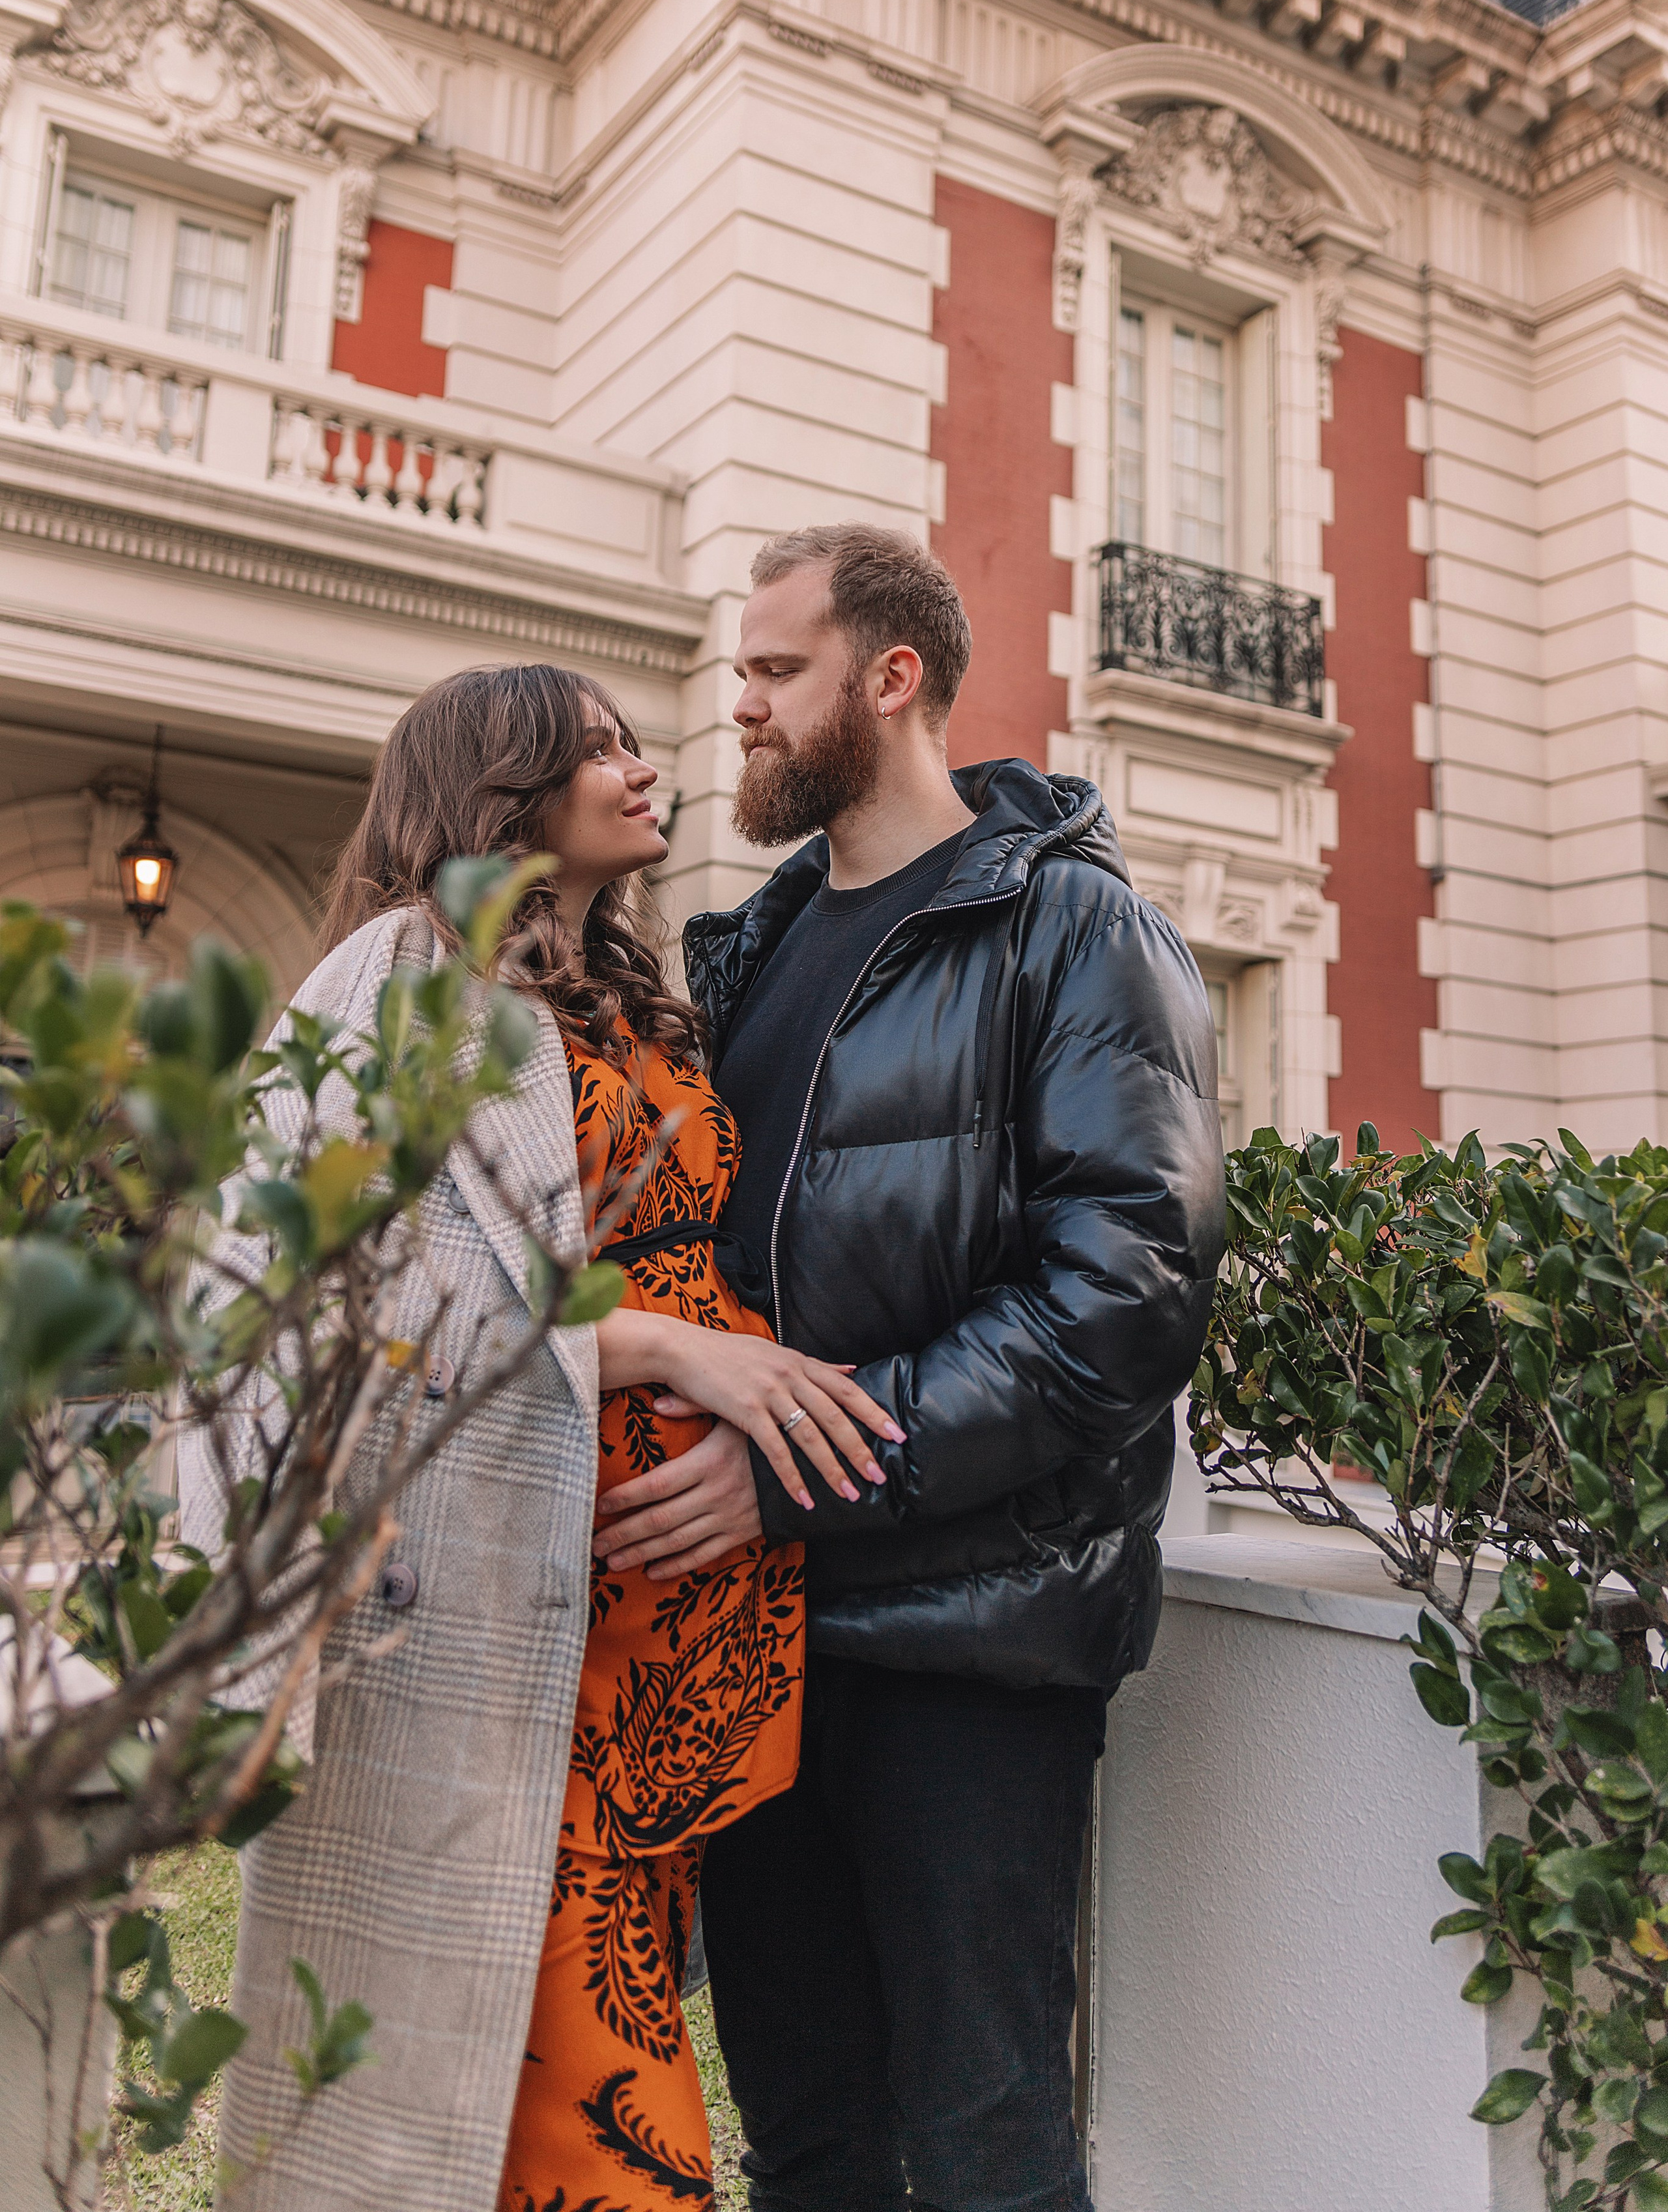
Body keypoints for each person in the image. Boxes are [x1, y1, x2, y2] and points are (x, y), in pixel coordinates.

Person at [185, 663, 893, 2212]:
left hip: (670, 1641)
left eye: (638, 744)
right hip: (514, 1618)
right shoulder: (406, 977)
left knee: (582, 2049)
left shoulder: (638, 993)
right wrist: (653, 1346)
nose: (646, 770)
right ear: (499, 790)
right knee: (593, 2119)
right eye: (597, 751)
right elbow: (324, 1293)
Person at [591, 528, 1228, 2212]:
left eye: (774, 670)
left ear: (894, 680)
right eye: (738, 670)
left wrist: (796, 1473)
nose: (737, 706)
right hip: (758, 1648)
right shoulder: (742, 953)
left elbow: (1125, 1302)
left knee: (987, 2148)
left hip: (972, 1650)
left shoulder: (1079, 934)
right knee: (811, 2146)